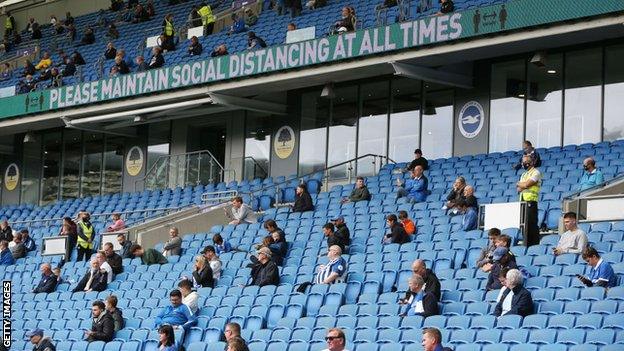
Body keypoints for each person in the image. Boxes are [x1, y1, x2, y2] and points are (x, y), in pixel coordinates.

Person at [516, 155, 541, 246]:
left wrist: (521, 184)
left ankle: (533, 244)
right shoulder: (524, 174)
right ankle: (526, 243)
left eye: (525, 162)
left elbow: (527, 184)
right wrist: (522, 185)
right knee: (524, 224)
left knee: (531, 224)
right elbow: (518, 189)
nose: (523, 164)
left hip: (531, 201)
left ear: (531, 162)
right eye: (523, 162)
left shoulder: (536, 172)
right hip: (522, 202)